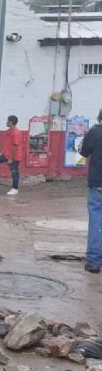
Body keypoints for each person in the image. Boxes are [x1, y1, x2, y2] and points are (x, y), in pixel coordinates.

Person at [80, 109, 102, 273]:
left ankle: (94, 262)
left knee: (96, 220)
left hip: (98, 182)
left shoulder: (95, 132)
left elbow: (84, 152)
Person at [0, 115, 22, 195]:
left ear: (11, 122)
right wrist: (2, 152)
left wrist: (10, 158)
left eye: (7, 121)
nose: (6, 122)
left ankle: (15, 188)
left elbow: (15, 147)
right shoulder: (8, 131)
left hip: (14, 157)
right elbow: (7, 144)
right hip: (6, 154)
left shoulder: (17, 133)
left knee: (14, 172)